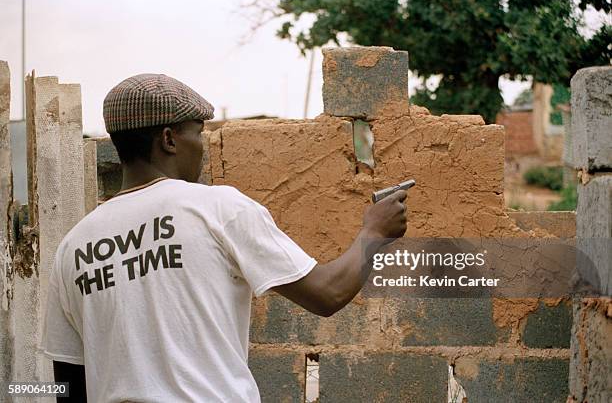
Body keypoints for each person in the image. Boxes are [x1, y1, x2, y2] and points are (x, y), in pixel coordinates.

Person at [42, 74, 407, 402]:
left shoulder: (74, 247)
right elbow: (328, 293)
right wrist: (374, 232)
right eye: (198, 132)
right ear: (169, 139)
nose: (203, 144)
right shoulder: (218, 208)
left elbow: (67, 385)